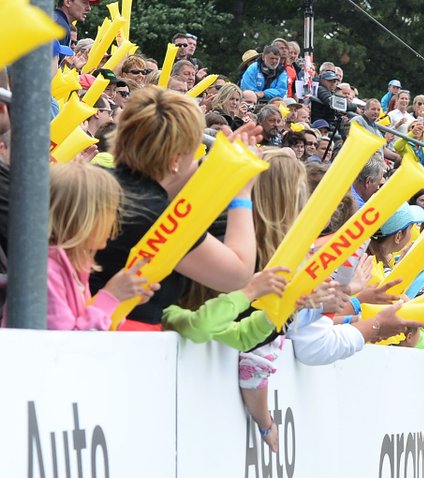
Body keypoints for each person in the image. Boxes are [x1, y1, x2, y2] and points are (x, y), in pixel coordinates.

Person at [89, 87, 261, 329]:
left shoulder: (91, 180)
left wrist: (216, 166)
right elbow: (238, 274)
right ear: (175, 160)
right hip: (122, 343)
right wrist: (241, 192)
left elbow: (161, 182)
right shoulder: (157, 216)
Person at [20, 164, 156, 330]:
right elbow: (66, 346)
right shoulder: (45, 273)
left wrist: (121, 300)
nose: (114, 222)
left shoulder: (74, 268)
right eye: (111, 212)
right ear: (82, 219)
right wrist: (111, 296)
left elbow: (85, 324)